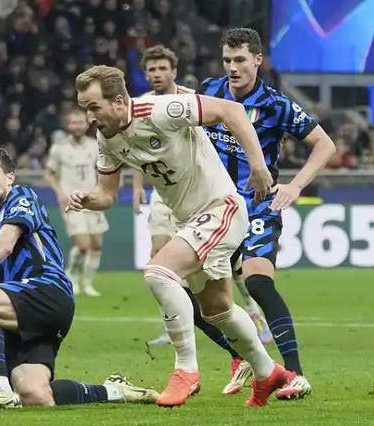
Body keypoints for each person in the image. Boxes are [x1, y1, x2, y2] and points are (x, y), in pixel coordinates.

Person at [71, 65, 295, 408]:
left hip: (220, 208)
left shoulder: (162, 109)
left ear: (118, 101)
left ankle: (186, 371)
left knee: (158, 272)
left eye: (93, 107)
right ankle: (268, 373)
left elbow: (232, 111)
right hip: (191, 220)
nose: (89, 117)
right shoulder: (107, 138)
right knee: (217, 310)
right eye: (84, 108)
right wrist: (89, 199)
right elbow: (107, 194)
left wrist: (258, 166)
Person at [0, 148, 159, 409]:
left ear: (10, 178)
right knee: (34, 394)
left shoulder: (21, 197)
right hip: (24, 313)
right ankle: (114, 390)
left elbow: (4, 246)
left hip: (47, 292)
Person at [198, 28, 336, 399]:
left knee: (258, 282)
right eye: (227, 60)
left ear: (257, 60)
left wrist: (295, 186)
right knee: (190, 297)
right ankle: (243, 356)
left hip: (258, 204)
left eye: (240, 60)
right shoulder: (209, 91)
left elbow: (324, 144)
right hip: (213, 208)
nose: (232, 67)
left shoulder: (275, 105)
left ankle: (296, 375)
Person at [131, 45, 272, 396]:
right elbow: (133, 151)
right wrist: (136, 188)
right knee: (163, 266)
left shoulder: (186, 101)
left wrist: (252, 166)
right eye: (151, 69)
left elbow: (222, 125)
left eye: (162, 68)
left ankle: (243, 319)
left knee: (203, 271)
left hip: (201, 194)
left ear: (173, 71)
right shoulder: (136, 106)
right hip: (164, 198)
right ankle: (184, 326)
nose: (156, 74)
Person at [45, 109, 108, 297]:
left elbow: (103, 169)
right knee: (83, 245)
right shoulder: (59, 148)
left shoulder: (95, 145)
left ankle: (87, 283)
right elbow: (49, 173)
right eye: (74, 123)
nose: (78, 126)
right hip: (72, 201)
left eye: (80, 122)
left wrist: (102, 189)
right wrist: (59, 192)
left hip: (92, 200)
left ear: (87, 124)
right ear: (68, 126)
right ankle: (71, 275)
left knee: (96, 245)